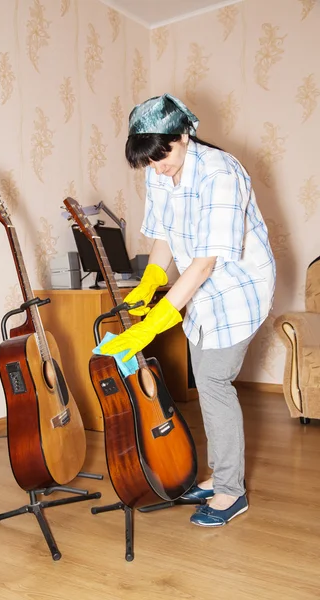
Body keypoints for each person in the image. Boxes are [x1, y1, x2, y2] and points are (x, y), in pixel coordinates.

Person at [100, 93, 276, 527]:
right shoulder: (160, 170)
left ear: (184, 135)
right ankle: (221, 478)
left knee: (214, 380)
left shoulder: (220, 172)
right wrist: (150, 282)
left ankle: (232, 492)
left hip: (238, 289)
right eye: (149, 162)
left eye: (164, 156)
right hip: (201, 293)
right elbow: (164, 236)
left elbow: (205, 262)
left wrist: (155, 323)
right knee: (207, 378)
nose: (158, 167)